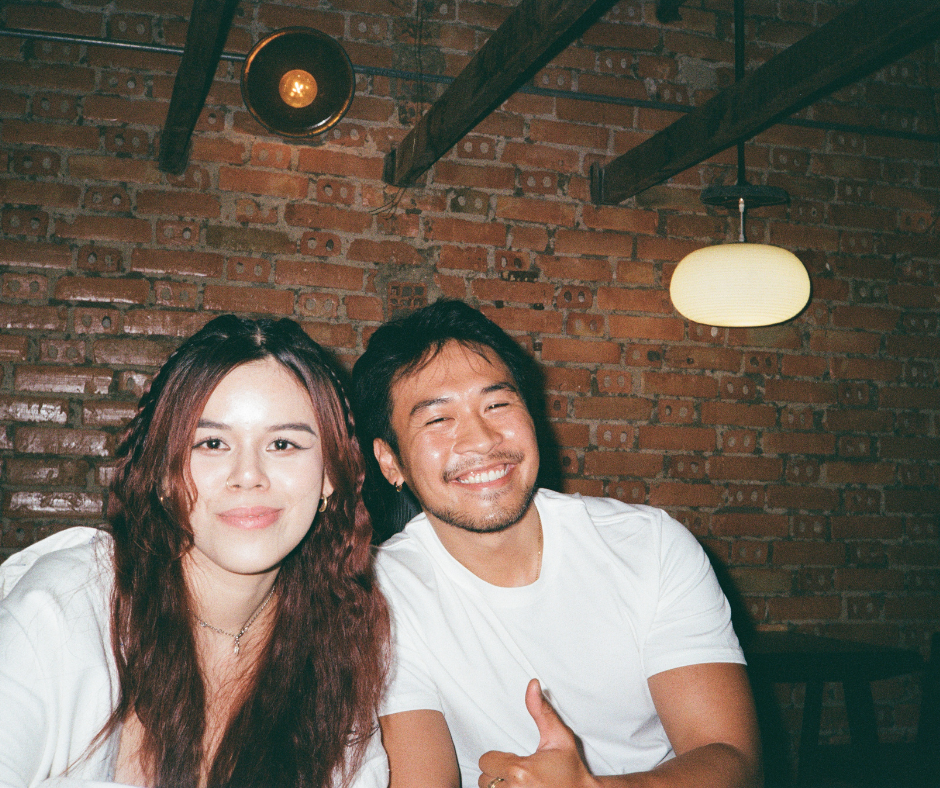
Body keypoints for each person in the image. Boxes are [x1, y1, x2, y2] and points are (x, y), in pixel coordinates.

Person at [352, 299, 761, 788]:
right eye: (438, 419)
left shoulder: (648, 545)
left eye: (497, 404)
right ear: (389, 461)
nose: (481, 439)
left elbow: (733, 759)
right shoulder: (382, 593)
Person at [0, 315, 389, 788]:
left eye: (283, 443)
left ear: (330, 474)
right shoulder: (67, 606)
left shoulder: (342, 637)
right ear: (164, 473)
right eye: (212, 443)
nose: (248, 474)